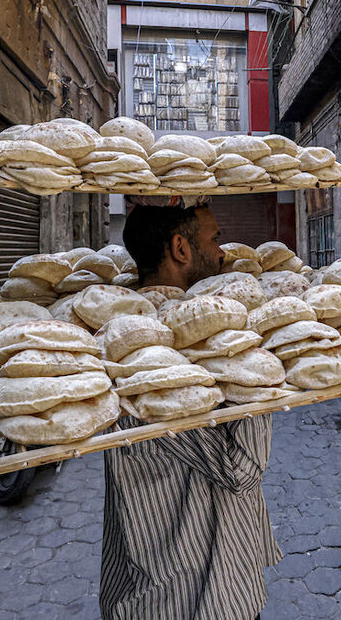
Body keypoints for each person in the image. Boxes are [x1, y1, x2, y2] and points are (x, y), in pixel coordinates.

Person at [100, 202, 281, 620]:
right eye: (214, 238)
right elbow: (241, 469)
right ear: (181, 249)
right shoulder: (147, 357)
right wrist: (263, 374)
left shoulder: (119, 330)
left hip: (196, 578)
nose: (223, 253)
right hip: (185, 595)